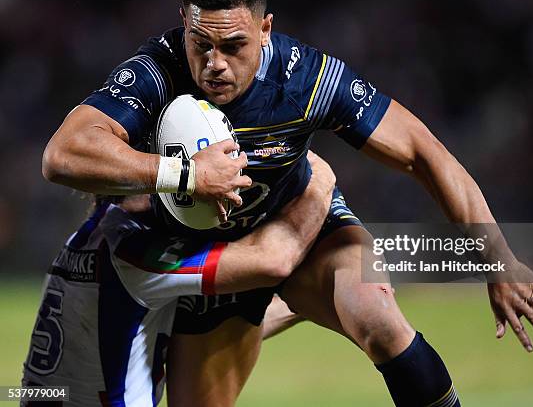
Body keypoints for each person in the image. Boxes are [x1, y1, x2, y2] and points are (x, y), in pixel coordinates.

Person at [39, 0, 533, 407]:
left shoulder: (306, 77)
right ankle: (275, 306)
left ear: (266, 30)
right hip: (204, 255)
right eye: (201, 44)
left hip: (303, 220)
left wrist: (498, 258)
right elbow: (63, 153)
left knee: (377, 317)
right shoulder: (156, 70)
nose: (214, 64)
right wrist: (185, 174)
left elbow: (423, 152)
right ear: (183, 24)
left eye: (235, 45)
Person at [22, 152, 335, 406]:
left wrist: (297, 308)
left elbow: (185, 340)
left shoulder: (94, 231)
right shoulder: (136, 253)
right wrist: (319, 176)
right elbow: (273, 259)